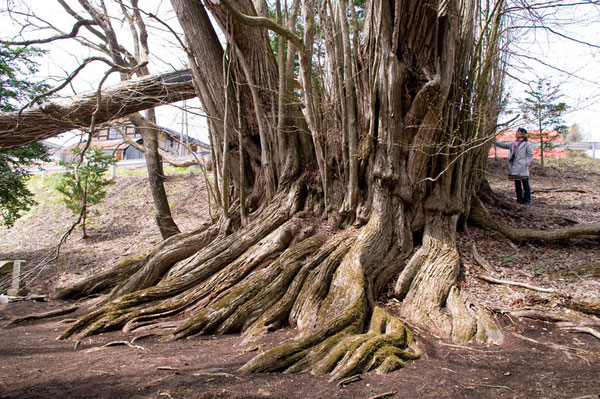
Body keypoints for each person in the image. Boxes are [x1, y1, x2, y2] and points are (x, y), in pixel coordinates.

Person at [494, 127, 534, 205]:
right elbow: (502, 145)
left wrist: (524, 163)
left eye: (518, 132)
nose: (516, 133)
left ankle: (527, 200)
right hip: (515, 166)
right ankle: (519, 199)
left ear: (522, 134)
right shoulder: (514, 144)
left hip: (522, 167)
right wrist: (493, 140)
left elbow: (530, 156)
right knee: (517, 184)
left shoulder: (527, 144)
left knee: (525, 184)